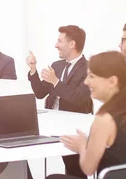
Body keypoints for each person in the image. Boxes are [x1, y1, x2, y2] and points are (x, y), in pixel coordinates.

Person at [46, 51, 126, 179]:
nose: (86, 82)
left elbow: (88, 168)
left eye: (91, 77)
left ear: (112, 82)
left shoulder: (104, 120)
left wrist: (81, 146)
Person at [27, 25, 92, 178]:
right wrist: (33, 70)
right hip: (52, 124)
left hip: (73, 126)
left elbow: (79, 99)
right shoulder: (57, 65)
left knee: (74, 169)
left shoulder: (89, 68)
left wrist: (56, 82)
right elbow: (40, 93)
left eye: (59, 41)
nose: (56, 45)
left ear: (72, 44)